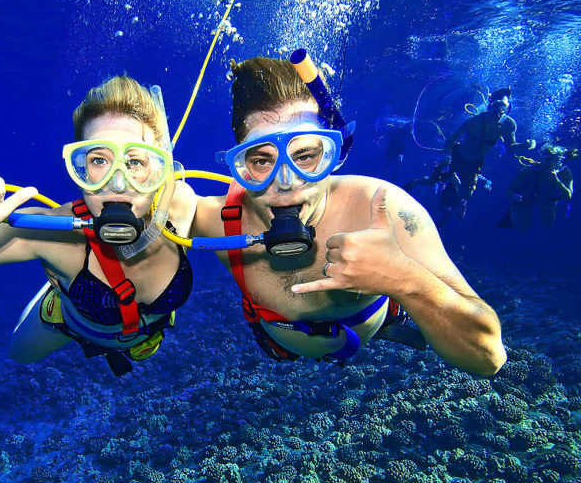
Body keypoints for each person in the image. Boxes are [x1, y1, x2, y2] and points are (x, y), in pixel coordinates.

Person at [192, 55, 506, 377]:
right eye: (261, 161)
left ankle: (392, 317)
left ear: (333, 154)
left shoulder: (383, 208)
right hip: (280, 343)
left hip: (371, 320)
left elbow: (489, 358)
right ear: (238, 164)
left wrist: (404, 279)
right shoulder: (214, 220)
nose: (285, 183)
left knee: (402, 310)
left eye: (305, 156)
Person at [0, 76, 197, 377]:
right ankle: (56, 297)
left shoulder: (181, 205)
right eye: (99, 161)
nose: (116, 183)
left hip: (146, 331)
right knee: (20, 354)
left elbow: (243, 220)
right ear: (80, 168)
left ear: (162, 168)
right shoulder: (50, 233)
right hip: (73, 324)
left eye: (135, 162)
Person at [437, 87, 535, 222]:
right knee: (441, 180)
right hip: (458, 155)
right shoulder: (474, 121)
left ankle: (453, 199)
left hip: (476, 161)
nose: (499, 110)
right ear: (489, 105)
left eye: (503, 106)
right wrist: (447, 156)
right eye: (496, 105)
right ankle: (447, 184)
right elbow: (452, 138)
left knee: (467, 193)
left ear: (508, 107)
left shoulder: (508, 125)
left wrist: (526, 145)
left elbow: (511, 148)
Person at [499, 143, 575, 231]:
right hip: (526, 201)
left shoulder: (564, 172)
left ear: (560, 161)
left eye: (556, 160)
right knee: (522, 228)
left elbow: (568, 196)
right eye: (548, 159)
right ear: (541, 158)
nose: (551, 164)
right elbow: (509, 190)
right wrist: (513, 196)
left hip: (548, 202)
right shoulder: (529, 170)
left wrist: (556, 180)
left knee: (547, 225)